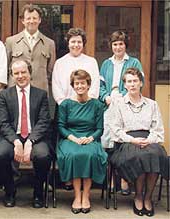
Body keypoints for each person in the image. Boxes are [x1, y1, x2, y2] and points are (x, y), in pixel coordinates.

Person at [109, 67, 168, 217]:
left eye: (135, 81)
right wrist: (132, 140)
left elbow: (158, 129)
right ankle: (138, 196)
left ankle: (148, 197)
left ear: (141, 83)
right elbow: (116, 130)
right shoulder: (118, 104)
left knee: (157, 155)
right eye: (129, 81)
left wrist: (149, 140)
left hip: (149, 140)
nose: (133, 84)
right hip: (126, 142)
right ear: (125, 85)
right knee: (140, 156)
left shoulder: (152, 104)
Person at [0, 60, 52, 208]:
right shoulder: (5, 95)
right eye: (16, 73)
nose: (20, 76)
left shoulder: (41, 95)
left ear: (29, 72)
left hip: (35, 137)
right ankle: (10, 191)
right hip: (12, 136)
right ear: (12, 75)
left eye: (23, 72)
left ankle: (38, 192)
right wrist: (16, 141)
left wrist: (30, 141)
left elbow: (44, 121)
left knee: (43, 156)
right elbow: (3, 122)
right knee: (0, 154)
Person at [57, 69, 107, 214]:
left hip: (90, 138)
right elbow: (61, 126)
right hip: (70, 138)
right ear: (73, 85)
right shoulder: (65, 104)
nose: (80, 86)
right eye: (77, 83)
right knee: (74, 155)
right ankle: (77, 196)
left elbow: (99, 128)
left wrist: (90, 138)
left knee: (90, 155)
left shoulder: (97, 105)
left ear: (88, 85)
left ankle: (86, 195)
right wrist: (73, 138)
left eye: (83, 83)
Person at [99, 31, 144, 195]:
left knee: (124, 140)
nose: (118, 47)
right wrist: (106, 97)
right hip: (110, 107)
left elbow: (140, 83)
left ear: (126, 45)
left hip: (128, 107)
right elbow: (100, 86)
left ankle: (125, 178)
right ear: (111, 46)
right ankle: (111, 178)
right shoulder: (106, 64)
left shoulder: (134, 62)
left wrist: (126, 98)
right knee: (109, 142)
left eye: (121, 44)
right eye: (115, 44)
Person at [5, 4, 56, 93]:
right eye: (28, 18)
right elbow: (6, 68)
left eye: (34, 18)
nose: (31, 21)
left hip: (40, 92)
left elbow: (49, 71)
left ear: (39, 20)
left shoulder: (49, 43)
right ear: (23, 21)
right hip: (16, 92)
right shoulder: (11, 42)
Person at [52, 28, 100, 105]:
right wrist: (63, 103)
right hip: (65, 106)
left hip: (87, 106)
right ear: (68, 44)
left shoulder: (91, 62)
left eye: (79, 42)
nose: (76, 45)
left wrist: (88, 103)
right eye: (73, 42)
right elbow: (56, 86)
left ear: (83, 44)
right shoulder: (60, 63)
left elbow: (95, 85)